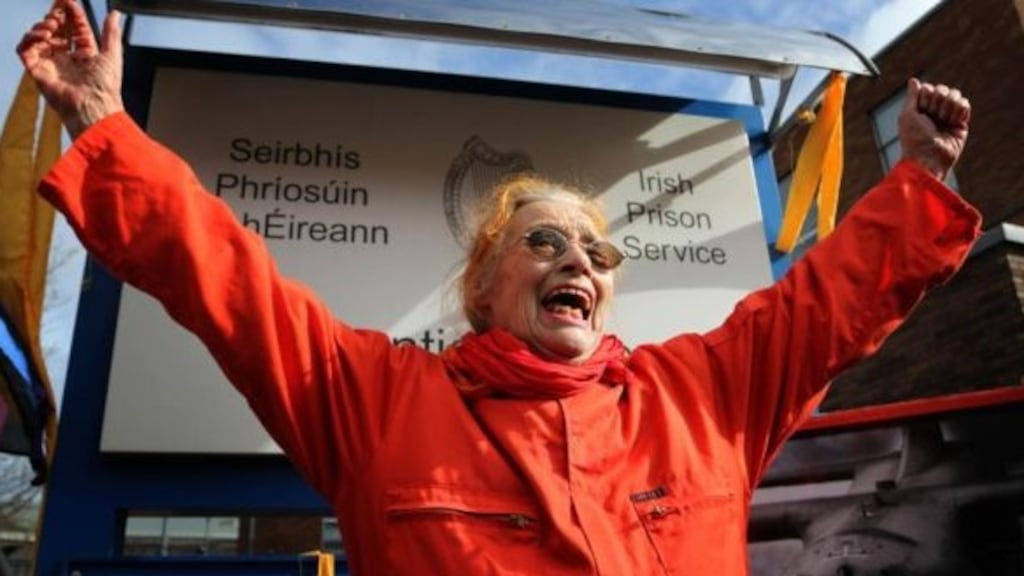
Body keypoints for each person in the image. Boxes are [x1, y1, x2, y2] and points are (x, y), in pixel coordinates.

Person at [18, 1, 979, 575]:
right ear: (483, 285)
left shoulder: (701, 398)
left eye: (598, 254)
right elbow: (221, 277)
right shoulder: (376, 402)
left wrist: (922, 180)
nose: (579, 263)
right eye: (547, 241)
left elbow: (826, 307)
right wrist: (105, 124)